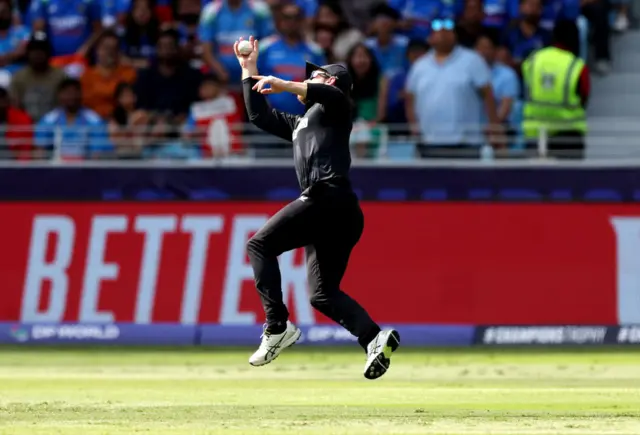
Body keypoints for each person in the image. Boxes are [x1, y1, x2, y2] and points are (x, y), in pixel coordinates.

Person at [236, 35, 400, 379]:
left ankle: (277, 326)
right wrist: (248, 69)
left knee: (258, 245)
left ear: (330, 80)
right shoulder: (302, 123)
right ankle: (373, 338)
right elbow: (259, 116)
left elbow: (329, 93)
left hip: (327, 197)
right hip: (340, 212)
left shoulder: (336, 106)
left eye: (316, 75)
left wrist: (285, 84)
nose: (309, 78)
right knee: (323, 295)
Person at [405, 17, 501, 158]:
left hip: (466, 142)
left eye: (447, 31)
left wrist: (494, 129)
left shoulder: (472, 60)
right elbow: (410, 99)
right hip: (429, 141)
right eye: (438, 31)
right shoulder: (420, 66)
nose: (443, 34)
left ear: (454, 35)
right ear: (430, 38)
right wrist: (414, 128)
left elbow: (488, 95)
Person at [521, 19, 589, 159]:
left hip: (535, 132)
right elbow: (584, 97)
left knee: (535, 180)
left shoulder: (533, 59)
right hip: (568, 134)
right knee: (568, 180)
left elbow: (525, 83)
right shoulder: (577, 66)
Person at [35, 78, 113, 160]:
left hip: (85, 168)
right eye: (67, 93)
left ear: (81, 94)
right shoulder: (49, 119)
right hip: (56, 168)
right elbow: (40, 149)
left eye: (75, 92)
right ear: (59, 95)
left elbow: (97, 152)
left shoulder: (93, 119)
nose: (71, 96)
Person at [9, 33, 66, 122]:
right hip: (25, 127)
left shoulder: (61, 76)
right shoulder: (19, 77)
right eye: (34, 50)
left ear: (48, 52)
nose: (38, 54)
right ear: (28, 53)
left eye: (42, 49)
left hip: (54, 127)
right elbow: (15, 108)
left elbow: (65, 108)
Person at [80, 30, 137, 119]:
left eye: (114, 48)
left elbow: (130, 103)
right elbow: (84, 106)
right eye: (106, 48)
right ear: (97, 50)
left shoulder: (129, 74)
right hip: (95, 124)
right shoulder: (86, 76)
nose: (110, 52)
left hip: (122, 123)